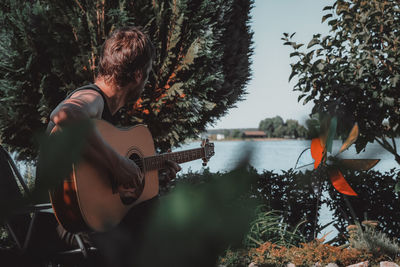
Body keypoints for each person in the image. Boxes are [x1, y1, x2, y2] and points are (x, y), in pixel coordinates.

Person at [41, 26, 181, 264]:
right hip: (71, 224)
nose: (146, 82)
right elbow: (64, 114)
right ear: (137, 75)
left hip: (90, 220)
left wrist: (148, 176)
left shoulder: (106, 118)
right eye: (147, 75)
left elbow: (102, 180)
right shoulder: (93, 98)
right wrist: (117, 164)